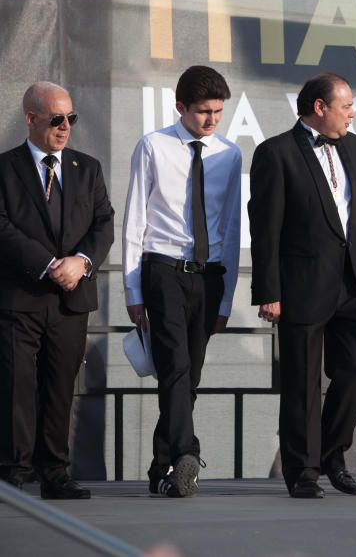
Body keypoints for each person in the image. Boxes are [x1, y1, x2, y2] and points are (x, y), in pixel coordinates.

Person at [248, 73, 356, 499]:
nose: (352, 114)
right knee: (302, 383)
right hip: (301, 285)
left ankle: (331, 452)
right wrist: (268, 290)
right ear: (319, 108)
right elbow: (264, 229)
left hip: (353, 283)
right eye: (346, 106)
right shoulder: (276, 153)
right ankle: (303, 471)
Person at [121, 66, 242, 498]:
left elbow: (231, 225)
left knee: (188, 378)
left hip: (208, 276)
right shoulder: (153, 146)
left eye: (217, 112)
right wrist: (132, 291)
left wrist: (225, 300)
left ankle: (161, 467)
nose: (211, 120)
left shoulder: (230, 153)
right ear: (180, 108)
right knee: (173, 367)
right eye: (203, 112)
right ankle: (187, 452)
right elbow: (135, 218)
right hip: (163, 268)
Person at [0, 82, 114, 498]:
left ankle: (54, 473)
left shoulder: (88, 168)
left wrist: (80, 262)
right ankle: (13, 472)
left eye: (71, 118)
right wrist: (48, 265)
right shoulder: (5, 167)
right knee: (16, 385)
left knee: (61, 385)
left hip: (71, 298)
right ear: (30, 118)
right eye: (56, 119)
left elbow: (104, 223)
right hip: (19, 297)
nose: (66, 127)